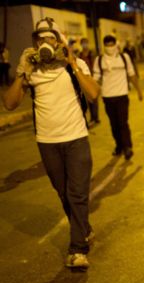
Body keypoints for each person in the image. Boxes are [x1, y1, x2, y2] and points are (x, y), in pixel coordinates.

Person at [2, 17, 100, 269]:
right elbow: (10, 104)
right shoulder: (32, 71)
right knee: (63, 192)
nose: (46, 43)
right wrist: (22, 72)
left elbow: (93, 93)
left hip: (76, 138)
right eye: (41, 39)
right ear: (34, 43)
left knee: (77, 193)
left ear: (58, 41)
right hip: (46, 142)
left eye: (50, 38)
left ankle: (78, 249)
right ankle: (83, 228)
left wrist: (72, 64)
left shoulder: (74, 64)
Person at [93, 35, 143, 161]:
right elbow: (96, 79)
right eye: (107, 45)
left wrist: (139, 91)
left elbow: (132, 74)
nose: (110, 47)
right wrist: (92, 93)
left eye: (111, 44)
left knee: (123, 122)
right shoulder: (99, 60)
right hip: (108, 97)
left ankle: (128, 147)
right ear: (104, 46)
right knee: (113, 124)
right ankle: (119, 146)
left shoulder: (124, 57)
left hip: (122, 95)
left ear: (116, 44)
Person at [78, 38, 100, 124]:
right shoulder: (80, 55)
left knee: (94, 98)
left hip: (92, 78)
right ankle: (92, 117)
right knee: (88, 99)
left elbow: (95, 66)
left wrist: (95, 78)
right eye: (83, 43)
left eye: (86, 43)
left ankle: (96, 117)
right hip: (84, 79)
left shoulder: (92, 54)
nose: (84, 45)